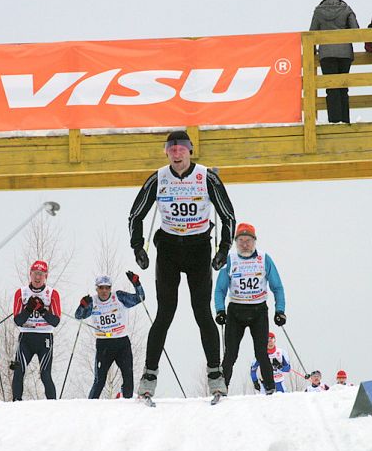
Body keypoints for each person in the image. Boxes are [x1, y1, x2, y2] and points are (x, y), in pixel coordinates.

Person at [127, 131, 236, 400]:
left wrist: (223, 249)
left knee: (202, 311)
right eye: (172, 150)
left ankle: (215, 374)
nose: (177, 154)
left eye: (182, 149)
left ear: (190, 151)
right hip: (169, 250)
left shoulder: (206, 176)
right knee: (165, 312)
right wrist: (138, 247)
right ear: (166, 152)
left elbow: (228, 215)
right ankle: (149, 376)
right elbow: (135, 214)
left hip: (199, 249)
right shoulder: (159, 177)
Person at [214, 223, 286, 396]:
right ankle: (221, 388)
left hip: (258, 311)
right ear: (235, 242)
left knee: (262, 352)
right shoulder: (230, 260)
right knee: (230, 354)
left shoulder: (264, 258)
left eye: (248, 240)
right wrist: (220, 310)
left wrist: (280, 310)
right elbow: (220, 289)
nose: (244, 244)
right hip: (236, 312)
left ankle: (270, 388)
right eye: (241, 241)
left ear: (254, 241)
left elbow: (277, 287)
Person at [75, 271, 145, 399]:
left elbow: (140, 298)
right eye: (101, 288)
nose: (104, 291)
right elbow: (79, 316)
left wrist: (136, 283)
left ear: (110, 288)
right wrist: (82, 305)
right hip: (104, 345)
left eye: (107, 288)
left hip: (121, 343)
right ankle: (90, 405)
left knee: (128, 376)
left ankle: (126, 401)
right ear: (97, 288)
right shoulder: (93, 301)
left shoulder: (119, 297)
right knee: (99, 380)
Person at [309, 0, 359, 123]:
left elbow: (312, 33)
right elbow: (355, 30)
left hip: (326, 54)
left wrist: (311, 52)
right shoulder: (346, 8)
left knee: (331, 88)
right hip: (345, 54)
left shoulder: (318, 11)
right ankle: (345, 119)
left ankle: (335, 120)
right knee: (343, 87)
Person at [11, 260, 61, 400]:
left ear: (46, 276)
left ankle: (52, 404)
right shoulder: (21, 292)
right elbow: (17, 320)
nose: (37, 278)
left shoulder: (52, 293)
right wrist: (28, 309)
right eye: (35, 274)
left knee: (45, 373)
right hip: (26, 337)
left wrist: (42, 310)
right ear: (30, 274)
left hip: (45, 337)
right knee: (18, 370)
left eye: (41, 274)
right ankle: (16, 402)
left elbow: (56, 321)